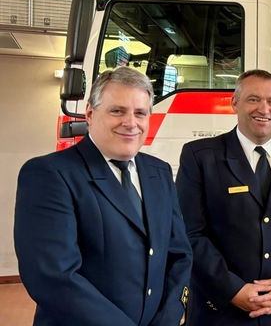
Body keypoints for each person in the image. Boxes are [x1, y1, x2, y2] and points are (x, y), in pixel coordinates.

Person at [14, 67, 192, 326]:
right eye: (117, 111)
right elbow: (53, 277)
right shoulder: (49, 174)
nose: (131, 122)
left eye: (140, 113)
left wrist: (167, 319)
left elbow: (179, 254)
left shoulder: (159, 172)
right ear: (90, 113)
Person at [177, 69, 271, 325]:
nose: (264, 109)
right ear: (235, 103)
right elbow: (190, 232)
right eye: (253, 99)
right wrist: (233, 290)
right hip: (221, 310)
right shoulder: (200, 156)